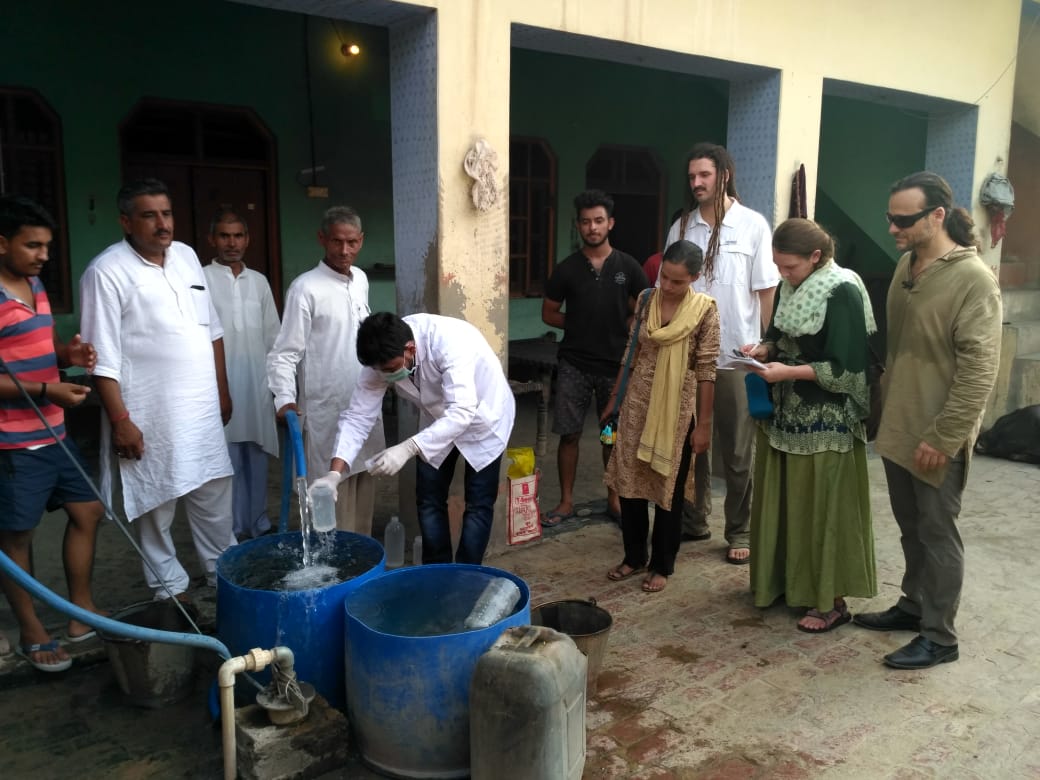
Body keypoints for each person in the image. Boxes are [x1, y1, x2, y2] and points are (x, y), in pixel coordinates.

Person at [853, 171, 1002, 669]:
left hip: (938, 434)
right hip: (899, 424)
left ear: (937, 216)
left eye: (904, 220)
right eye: (889, 218)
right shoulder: (906, 265)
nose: (892, 228)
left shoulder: (974, 280)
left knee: (938, 534)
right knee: (910, 527)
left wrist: (944, 435)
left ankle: (940, 636)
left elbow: (980, 370)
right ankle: (914, 605)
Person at [80, 179, 236, 601]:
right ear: (126, 221)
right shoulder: (106, 271)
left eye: (166, 213)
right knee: (155, 501)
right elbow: (101, 358)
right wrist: (120, 420)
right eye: (149, 216)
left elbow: (213, 330)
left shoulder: (186, 256)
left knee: (214, 494)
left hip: (201, 409)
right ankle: (169, 590)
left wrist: (222, 391)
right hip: (148, 413)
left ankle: (223, 575)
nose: (162, 224)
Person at [742, 218, 877, 632]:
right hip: (785, 416)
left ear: (816, 257)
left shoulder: (842, 290)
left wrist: (789, 372)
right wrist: (762, 350)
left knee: (821, 511)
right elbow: (778, 337)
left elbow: (848, 369)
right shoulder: (790, 286)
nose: (783, 275)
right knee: (786, 504)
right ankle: (787, 584)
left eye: (791, 267)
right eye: (778, 266)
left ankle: (830, 602)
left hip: (826, 423)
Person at [312, 312, 516, 564]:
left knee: (478, 504)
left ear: (410, 349)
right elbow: (357, 417)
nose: (385, 377)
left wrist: (408, 448)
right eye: (379, 371)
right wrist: (334, 474)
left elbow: (461, 412)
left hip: (483, 418)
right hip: (437, 418)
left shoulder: (449, 343)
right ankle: (436, 571)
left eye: (390, 370)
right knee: (429, 499)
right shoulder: (381, 360)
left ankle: (467, 575)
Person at [0, 196, 106, 672]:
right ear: (1, 244)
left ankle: (80, 612)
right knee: (16, 537)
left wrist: (69, 355)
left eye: (46, 245)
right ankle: (32, 630)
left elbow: (43, 347)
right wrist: (48, 389)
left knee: (88, 511)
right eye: (32, 245)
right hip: (14, 442)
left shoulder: (35, 284)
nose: (43, 255)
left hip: (55, 431)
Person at [665, 143, 779, 564]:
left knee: (738, 449)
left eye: (705, 175)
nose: (696, 183)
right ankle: (695, 519)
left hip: (737, 356)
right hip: (688, 356)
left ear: (724, 175)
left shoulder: (753, 225)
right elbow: (668, 290)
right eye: (692, 176)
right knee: (691, 444)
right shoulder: (681, 227)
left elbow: (765, 290)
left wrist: (768, 345)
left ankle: (739, 529)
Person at [603, 240, 719, 593]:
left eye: (677, 281)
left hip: (677, 409)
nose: (667, 286)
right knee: (629, 483)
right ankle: (634, 556)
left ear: (694, 277)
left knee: (669, 488)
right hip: (638, 401)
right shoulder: (645, 300)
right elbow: (632, 351)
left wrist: (704, 425)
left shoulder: (704, 310)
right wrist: (615, 399)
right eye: (664, 277)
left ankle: (662, 564)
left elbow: (707, 369)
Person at [266, 206, 384, 534]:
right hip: (326, 410)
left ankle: (361, 559)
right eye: (336, 241)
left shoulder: (360, 280)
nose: (344, 250)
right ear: (322, 239)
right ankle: (331, 561)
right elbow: (284, 353)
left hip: (363, 403)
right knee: (330, 502)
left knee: (362, 492)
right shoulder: (305, 288)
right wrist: (284, 399)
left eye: (352, 242)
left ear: (361, 241)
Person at [541, 190, 648, 526]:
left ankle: (613, 499)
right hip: (574, 363)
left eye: (599, 220)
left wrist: (626, 324)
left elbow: (645, 308)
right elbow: (548, 313)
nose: (592, 227)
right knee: (569, 434)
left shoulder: (628, 266)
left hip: (614, 366)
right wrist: (579, 324)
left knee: (610, 434)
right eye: (586, 222)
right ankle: (566, 501)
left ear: (610, 223)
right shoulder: (567, 269)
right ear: (578, 225)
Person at [203, 209, 280, 540]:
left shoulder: (259, 282)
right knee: (226, 458)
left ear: (247, 239)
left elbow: (274, 336)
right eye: (224, 235)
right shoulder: (201, 278)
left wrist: (278, 386)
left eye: (237, 236)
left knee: (256, 453)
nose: (231, 243)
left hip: (256, 383)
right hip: (218, 384)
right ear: (212, 239)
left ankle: (258, 523)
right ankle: (231, 529)